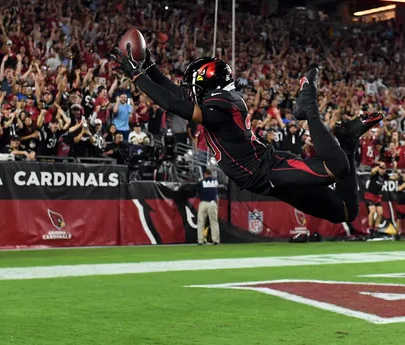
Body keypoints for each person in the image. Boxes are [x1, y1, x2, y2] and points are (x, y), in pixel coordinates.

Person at [109, 48, 382, 224]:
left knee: (337, 168)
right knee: (345, 212)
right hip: (266, 178)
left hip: (268, 171)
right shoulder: (221, 99)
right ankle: (346, 141)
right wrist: (150, 67)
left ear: (207, 85)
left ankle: (308, 109)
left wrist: (136, 75)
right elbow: (178, 96)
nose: (191, 92)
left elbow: (173, 104)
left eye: (194, 86)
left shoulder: (221, 103)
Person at [197, 169, 220, 245]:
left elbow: (199, 191)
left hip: (203, 202)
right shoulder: (215, 182)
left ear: (205, 174)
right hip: (212, 203)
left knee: (201, 222)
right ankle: (215, 240)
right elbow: (216, 194)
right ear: (211, 174)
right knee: (214, 222)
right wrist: (217, 204)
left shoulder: (201, 182)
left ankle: (200, 240)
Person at [364, 161, 388, 235]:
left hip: (377, 196)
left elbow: (394, 177)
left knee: (380, 212)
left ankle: (376, 228)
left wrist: (399, 174)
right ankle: (370, 228)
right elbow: (372, 171)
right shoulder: (375, 174)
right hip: (370, 195)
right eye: (381, 169)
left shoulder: (385, 176)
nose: (382, 170)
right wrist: (379, 166)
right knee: (372, 211)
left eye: (384, 169)